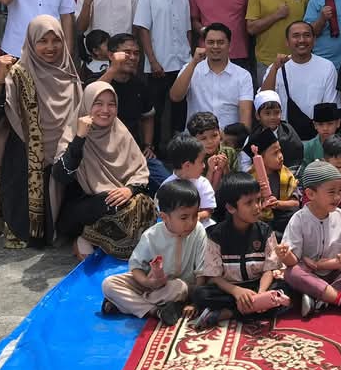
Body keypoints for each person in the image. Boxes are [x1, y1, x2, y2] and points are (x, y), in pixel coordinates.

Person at [0, 15, 83, 248]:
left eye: (56, 40)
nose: (50, 47)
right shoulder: (17, 75)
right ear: (31, 42)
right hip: (26, 161)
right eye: (42, 41)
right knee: (34, 235)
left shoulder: (69, 75)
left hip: (64, 159)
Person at [53, 81, 155, 259]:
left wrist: (129, 189)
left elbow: (140, 171)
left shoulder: (120, 132)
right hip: (82, 208)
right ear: (87, 105)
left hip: (118, 200)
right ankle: (87, 237)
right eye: (98, 104)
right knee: (116, 205)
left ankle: (97, 241)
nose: (105, 110)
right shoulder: (74, 132)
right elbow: (62, 175)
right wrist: (80, 138)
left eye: (111, 104)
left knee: (144, 204)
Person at [191, 172, 291, 330]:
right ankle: (252, 308)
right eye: (249, 203)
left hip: (258, 286)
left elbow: (269, 270)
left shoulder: (265, 231)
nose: (257, 207)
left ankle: (228, 313)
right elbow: (214, 277)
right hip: (230, 289)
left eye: (258, 200)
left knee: (286, 289)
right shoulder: (215, 235)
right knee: (200, 295)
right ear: (231, 207)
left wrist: (261, 294)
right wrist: (237, 292)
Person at [275, 160, 341, 320]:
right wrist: (285, 255)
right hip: (311, 275)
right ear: (310, 194)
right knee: (292, 273)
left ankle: (319, 299)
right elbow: (293, 261)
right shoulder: (299, 219)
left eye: (340, 191)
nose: (337, 197)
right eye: (331, 192)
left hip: (337, 272)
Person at [100, 179, 208, 324]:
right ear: (164, 217)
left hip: (177, 288)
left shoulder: (199, 231)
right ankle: (155, 310)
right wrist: (148, 282)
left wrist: (195, 303)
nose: (191, 222)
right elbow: (136, 267)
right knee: (109, 284)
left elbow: (201, 273)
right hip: (150, 286)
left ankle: (124, 305)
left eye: (195, 215)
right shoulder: (152, 235)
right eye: (184, 217)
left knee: (180, 287)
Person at [135, 0, 191, 136]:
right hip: (159, 65)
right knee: (156, 110)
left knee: (181, 108)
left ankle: (179, 144)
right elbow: (143, 30)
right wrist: (152, 61)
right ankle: (154, 147)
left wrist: (189, 58)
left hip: (182, 64)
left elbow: (188, 31)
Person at [261, 21, 339, 141]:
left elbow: (330, 107)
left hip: (316, 138)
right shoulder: (276, 67)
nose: (302, 40)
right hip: (283, 138)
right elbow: (264, 101)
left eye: (307, 35)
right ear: (287, 42)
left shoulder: (327, 67)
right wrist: (275, 69)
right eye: (296, 36)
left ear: (314, 40)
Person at [169, 23, 253, 131]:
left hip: (229, 137)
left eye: (220, 42)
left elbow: (245, 117)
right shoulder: (191, 68)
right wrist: (193, 62)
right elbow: (175, 96)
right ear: (204, 44)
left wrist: (236, 139)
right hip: (197, 137)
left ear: (229, 45)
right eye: (210, 42)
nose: (215, 46)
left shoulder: (243, 75)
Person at [246, 0, 308, 84]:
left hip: (297, 61)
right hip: (267, 62)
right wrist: (276, 16)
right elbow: (251, 28)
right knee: (268, 98)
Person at [95, 34, 156, 160]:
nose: (132, 57)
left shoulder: (140, 85)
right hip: (101, 151)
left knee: (162, 172)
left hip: (133, 151)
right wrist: (114, 68)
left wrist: (148, 145)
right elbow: (92, 96)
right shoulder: (97, 80)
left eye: (136, 53)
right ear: (111, 55)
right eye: (127, 53)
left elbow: (148, 116)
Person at [245, 127, 299, 238]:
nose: (280, 156)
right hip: (260, 220)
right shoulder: (249, 179)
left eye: (280, 151)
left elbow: (296, 203)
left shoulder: (286, 175)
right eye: (275, 153)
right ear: (261, 159)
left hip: (282, 219)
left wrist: (277, 204)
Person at [160, 133, 217, 227]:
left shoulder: (203, 183)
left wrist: (194, 217)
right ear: (187, 165)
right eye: (201, 162)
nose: (204, 166)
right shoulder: (166, 186)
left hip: (202, 227)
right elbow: (163, 215)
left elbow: (208, 211)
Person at [251, 89, 304, 171]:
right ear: (258, 115)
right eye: (267, 113)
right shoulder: (253, 136)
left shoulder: (289, 133)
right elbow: (245, 163)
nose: (272, 117)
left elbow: (297, 159)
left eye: (276, 113)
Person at [300, 103, 341, 167]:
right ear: (315, 125)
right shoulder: (308, 147)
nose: (325, 128)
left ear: (338, 123)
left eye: (330, 124)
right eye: (320, 124)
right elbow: (303, 170)